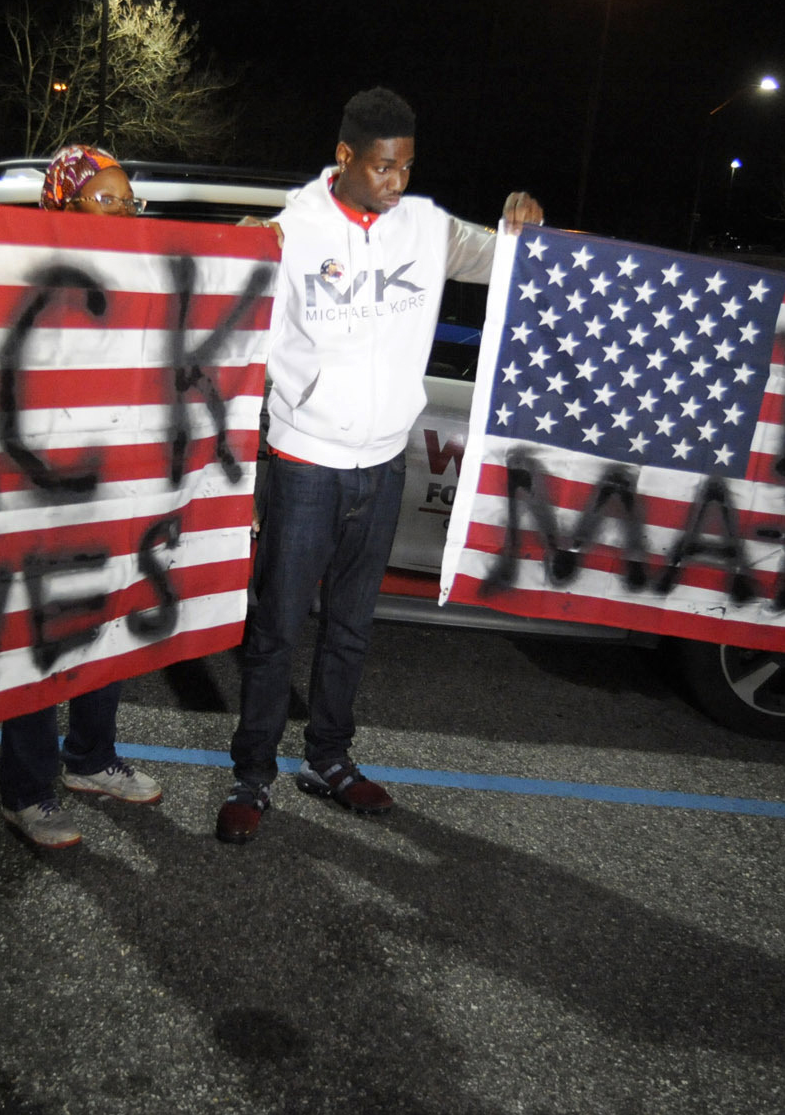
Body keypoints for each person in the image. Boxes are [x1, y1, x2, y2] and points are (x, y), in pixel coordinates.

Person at [218, 87, 543, 844]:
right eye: (382, 167)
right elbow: (223, 284)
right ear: (344, 157)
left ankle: (329, 759)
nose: (396, 183)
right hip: (305, 462)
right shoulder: (293, 229)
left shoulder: (428, 227)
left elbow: (510, 260)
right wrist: (238, 244)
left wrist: (522, 229)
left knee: (352, 627)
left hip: (385, 463)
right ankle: (251, 775)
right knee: (276, 629)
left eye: (407, 167)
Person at [0, 145, 163, 848]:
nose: (122, 212)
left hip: (113, 488)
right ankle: (26, 791)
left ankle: (91, 757)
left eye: (129, 201)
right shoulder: (22, 276)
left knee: (107, 623)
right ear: (61, 202)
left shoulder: (138, 279)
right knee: (38, 640)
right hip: (40, 491)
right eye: (105, 198)